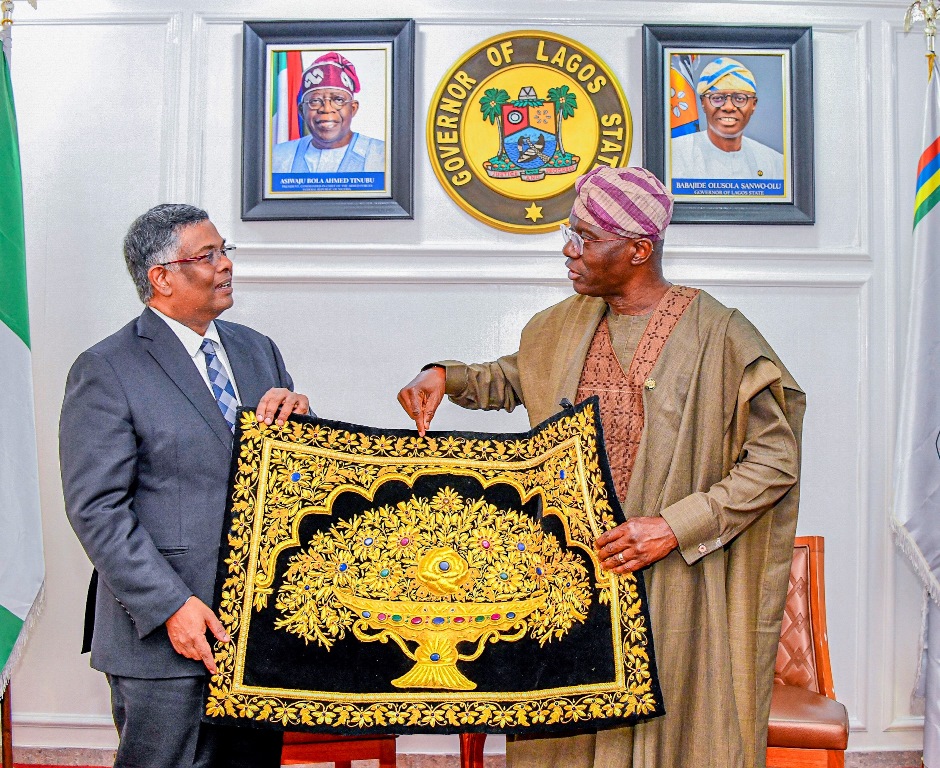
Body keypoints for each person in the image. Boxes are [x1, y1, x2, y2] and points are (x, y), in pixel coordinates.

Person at [397, 166, 804, 768]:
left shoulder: (719, 333)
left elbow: (775, 460)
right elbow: (514, 378)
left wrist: (674, 526)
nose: (568, 250)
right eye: (571, 233)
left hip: (673, 581)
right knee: (564, 733)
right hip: (571, 575)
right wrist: (445, 375)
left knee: (675, 734)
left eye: (585, 238)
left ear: (638, 249)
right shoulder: (561, 326)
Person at [59, 204, 310, 768]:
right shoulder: (107, 367)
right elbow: (98, 509)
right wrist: (173, 605)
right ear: (162, 277)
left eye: (225, 251)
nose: (225, 266)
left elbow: (287, 479)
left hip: (254, 633)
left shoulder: (256, 349)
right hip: (161, 638)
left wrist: (302, 418)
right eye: (208, 255)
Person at [671, 57, 784, 180]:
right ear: (703, 102)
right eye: (717, 98)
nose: (729, 107)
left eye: (740, 98)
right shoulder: (673, 155)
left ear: (753, 105)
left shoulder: (774, 163)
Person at [271, 51, 385, 174]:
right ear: (301, 111)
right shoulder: (277, 157)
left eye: (338, 100)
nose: (326, 109)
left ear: (353, 108)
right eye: (315, 101)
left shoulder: (383, 156)